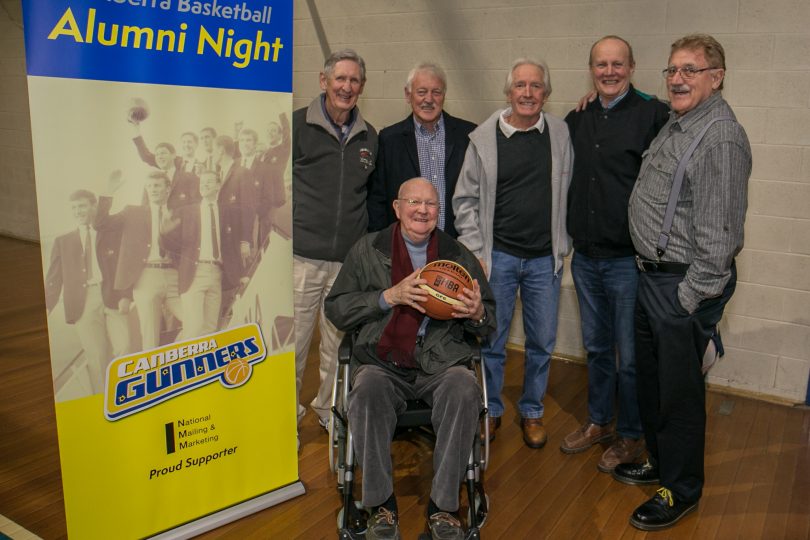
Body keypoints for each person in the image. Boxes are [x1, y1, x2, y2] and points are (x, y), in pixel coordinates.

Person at [614, 34, 751, 531]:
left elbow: (721, 239)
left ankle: (682, 489)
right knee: (652, 384)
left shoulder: (720, 138)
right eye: (672, 70)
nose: (677, 79)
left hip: (681, 286)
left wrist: (686, 301)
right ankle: (660, 462)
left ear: (717, 78)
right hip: (652, 279)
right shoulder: (679, 121)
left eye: (690, 70)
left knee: (678, 395)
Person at [324, 178, 495, 540]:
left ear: (439, 211)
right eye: (413, 202)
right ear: (397, 208)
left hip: (441, 359)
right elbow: (336, 308)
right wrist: (388, 296)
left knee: (464, 389)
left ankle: (443, 508)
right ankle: (381, 506)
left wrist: (478, 313)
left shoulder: (457, 255)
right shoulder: (367, 250)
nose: (422, 210)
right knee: (366, 391)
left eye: (430, 204)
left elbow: (489, 322)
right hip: (383, 359)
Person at [560, 36, 670, 471]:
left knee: (630, 357)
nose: (609, 72)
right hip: (585, 257)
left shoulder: (653, 114)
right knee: (597, 348)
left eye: (617, 64)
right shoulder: (578, 117)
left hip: (627, 260)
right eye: (601, 64)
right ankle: (600, 421)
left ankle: (631, 434)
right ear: (591, 70)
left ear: (632, 67)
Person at [453, 58, 573, 449]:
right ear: (508, 91)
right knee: (492, 340)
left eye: (535, 86)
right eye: (520, 85)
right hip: (498, 259)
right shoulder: (483, 139)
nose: (527, 93)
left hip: (544, 261)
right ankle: (490, 410)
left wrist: (562, 245)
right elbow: (464, 200)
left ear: (546, 93)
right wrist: (476, 250)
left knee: (542, 342)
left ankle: (532, 411)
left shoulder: (560, 134)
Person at [292, 49, 378, 428]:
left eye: (354, 80)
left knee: (337, 344)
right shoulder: (296, 126)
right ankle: (284, 416)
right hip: (301, 257)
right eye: (340, 78)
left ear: (362, 86)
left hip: (346, 262)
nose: (346, 86)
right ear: (323, 80)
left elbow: (370, 196)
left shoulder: (370, 137)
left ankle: (329, 410)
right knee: (294, 345)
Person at [367, 62, 476, 237]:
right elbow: (378, 199)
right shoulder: (389, 140)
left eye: (436, 92)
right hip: (404, 245)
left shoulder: (468, 136)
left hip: (456, 243)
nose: (429, 99)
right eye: (421, 92)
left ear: (444, 95)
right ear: (408, 95)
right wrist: (381, 245)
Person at [45, 190, 132, 393]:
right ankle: (102, 402)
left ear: (94, 206)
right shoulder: (62, 241)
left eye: (82, 206)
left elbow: (124, 264)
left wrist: (126, 295)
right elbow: (53, 279)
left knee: (124, 346)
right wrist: (46, 307)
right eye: (74, 208)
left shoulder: (109, 233)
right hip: (83, 303)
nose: (78, 211)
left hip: (112, 296)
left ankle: (126, 396)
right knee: (96, 357)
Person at [160, 171, 245, 338]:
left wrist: (241, 273)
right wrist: (164, 233)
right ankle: (182, 354)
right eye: (202, 182)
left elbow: (231, 247)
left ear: (218, 186)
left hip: (217, 274)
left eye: (209, 182)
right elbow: (171, 246)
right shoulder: (186, 212)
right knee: (193, 327)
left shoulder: (227, 212)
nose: (204, 185)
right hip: (194, 274)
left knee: (210, 329)